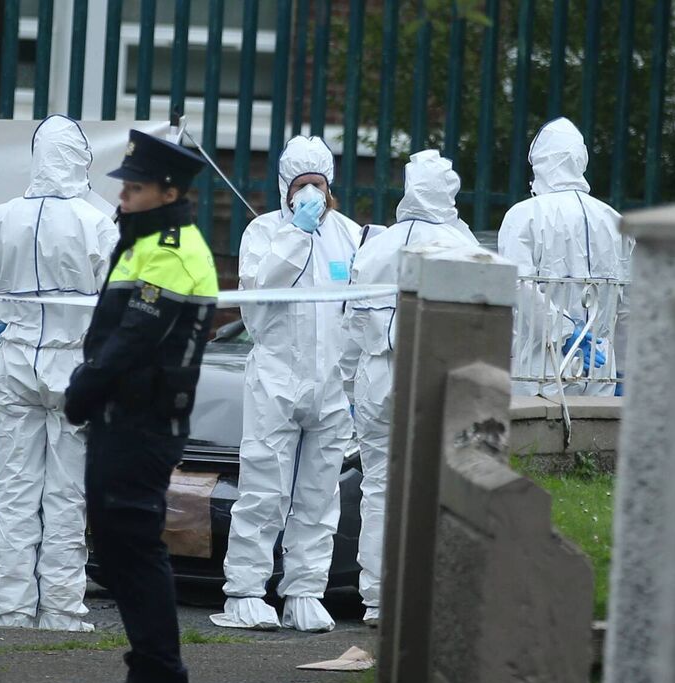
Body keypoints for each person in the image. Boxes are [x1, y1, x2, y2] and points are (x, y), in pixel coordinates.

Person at [0, 115, 117, 631]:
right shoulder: (98, 222)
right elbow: (120, 304)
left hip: (13, 364)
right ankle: (60, 609)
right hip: (72, 367)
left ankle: (11, 609)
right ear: (80, 159)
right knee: (66, 491)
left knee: (13, 491)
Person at [64, 130, 216, 683]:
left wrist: (84, 387)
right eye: (124, 187)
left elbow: (136, 337)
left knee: (130, 540)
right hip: (122, 416)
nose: (122, 197)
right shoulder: (143, 242)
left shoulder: (173, 249)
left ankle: (161, 674)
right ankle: (154, 670)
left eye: (134, 187)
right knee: (118, 540)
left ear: (168, 190)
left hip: (144, 420)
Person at [210, 136, 361, 633]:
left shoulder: (349, 235)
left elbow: (359, 310)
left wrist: (354, 381)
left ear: (330, 183)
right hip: (276, 378)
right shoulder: (264, 232)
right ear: (285, 188)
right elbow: (256, 302)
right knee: (263, 488)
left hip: (332, 385)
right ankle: (246, 590)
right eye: (301, 186)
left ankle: (304, 589)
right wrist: (296, 234)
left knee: (320, 495)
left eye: (317, 184)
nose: (310, 194)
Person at [341, 150, 478, 627]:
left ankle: (377, 598)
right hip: (435, 377)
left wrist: (347, 386)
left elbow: (350, 326)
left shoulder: (377, 245)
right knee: (439, 484)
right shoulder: (460, 245)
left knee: (378, 486)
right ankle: (429, 594)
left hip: (377, 378)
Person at [499, 117, 633, 397]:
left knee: (534, 441)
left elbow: (517, 285)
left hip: (539, 372)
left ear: (539, 163)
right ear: (581, 159)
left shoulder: (524, 215)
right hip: (600, 373)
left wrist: (564, 333)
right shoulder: (615, 220)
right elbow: (629, 306)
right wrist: (624, 372)